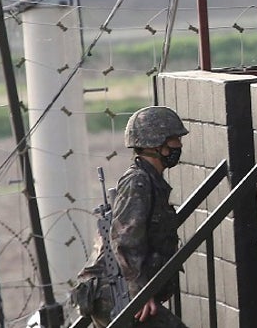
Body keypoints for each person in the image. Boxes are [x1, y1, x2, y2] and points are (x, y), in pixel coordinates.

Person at [73, 106, 188, 327]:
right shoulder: (138, 181)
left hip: (123, 289)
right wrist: (141, 292)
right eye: (174, 139)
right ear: (156, 144)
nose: (179, 145)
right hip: (116, 293)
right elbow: (125, 240)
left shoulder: (150, 180)